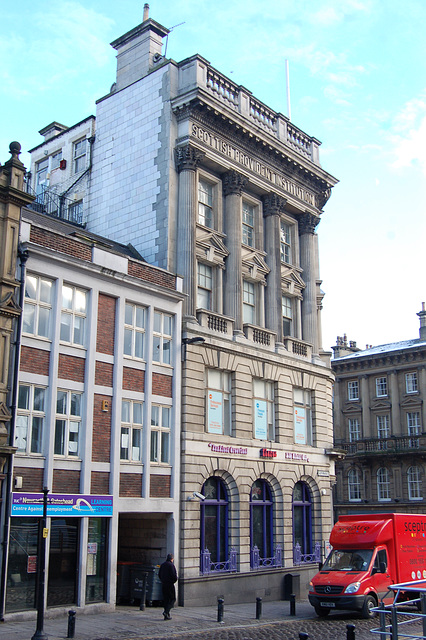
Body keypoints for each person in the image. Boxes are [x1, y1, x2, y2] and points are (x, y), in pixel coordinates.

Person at [158, 553, 177, 620]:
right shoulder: (171, 565)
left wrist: (163, 580)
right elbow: (174, 575)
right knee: (172, 599)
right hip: (170, 585)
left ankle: (166, 615)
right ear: (172, 559)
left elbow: (159, 574)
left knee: (166, 600)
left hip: (164, 584)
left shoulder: (162, 565)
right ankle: (166, 612)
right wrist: (173, 581)